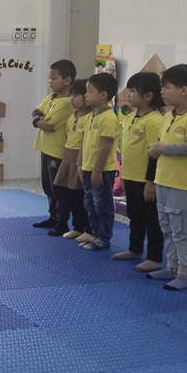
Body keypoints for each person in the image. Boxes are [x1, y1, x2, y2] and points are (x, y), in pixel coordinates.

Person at [147, 64, 187, 291]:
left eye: (166, 87)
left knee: (182, 230)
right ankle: (172, 266)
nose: (162, 91)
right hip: (164, 180)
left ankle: (185, 273)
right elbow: (162, 145)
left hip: (183, 184)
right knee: (167, 227)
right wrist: (157, 151)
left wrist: (163, 148)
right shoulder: (167, 117)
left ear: (183, 90)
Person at [115, 72, 164, 269]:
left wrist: (151, 182)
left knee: (151, 219)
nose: (129, 95)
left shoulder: (155, 120)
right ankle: (134, 249)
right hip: (130, 176)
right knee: (134, 216)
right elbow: (127, 150)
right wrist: (124, 175)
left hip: (145, 179)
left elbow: (155, 154)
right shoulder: (130, 118)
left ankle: (154, 257)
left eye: (133, 91)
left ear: (148, 96)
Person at [31, 60, 76, 232]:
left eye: (54, 78)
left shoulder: (66, 102)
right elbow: (35, 112)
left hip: (57, 151)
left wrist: (39, 121)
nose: (50, 82)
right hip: (45, 148)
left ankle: (62, 222)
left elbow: (48, 125)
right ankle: (53, 216)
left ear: (67, 80)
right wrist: (38, 120)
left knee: (59, 188)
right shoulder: (51, 98)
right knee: (47, 186)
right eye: (49, 78)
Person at [79, 72, 120, 251]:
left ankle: (103, 237)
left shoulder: (109, 117)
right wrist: (80, 163)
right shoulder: (90, 115)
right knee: (90, 204)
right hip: (88, 168)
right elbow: (84, 142)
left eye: (89, 91)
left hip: (101, 170)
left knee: (102, 205)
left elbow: (105, 146)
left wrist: (97, 170)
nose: (85, 95)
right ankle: (95, 235)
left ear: (103, 95)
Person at [54, 79, 93, 241]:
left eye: (76, 95)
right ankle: (76, 227)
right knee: (63, 191)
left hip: (81, 158)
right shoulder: (72, 116)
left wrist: (81, 162)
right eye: (71, 95)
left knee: (81, 195)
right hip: (68, 156)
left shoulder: (90, 117)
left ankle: (86, 229)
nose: (72, 99)